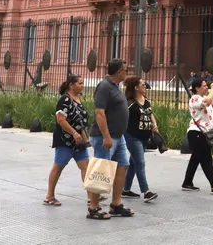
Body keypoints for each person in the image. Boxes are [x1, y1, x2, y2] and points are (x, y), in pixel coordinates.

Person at [87, 58, 134, 220]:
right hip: (104, 137)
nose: (127, 73)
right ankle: (93, 207)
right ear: (119, 72)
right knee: (101, 170)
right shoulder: (104, 86)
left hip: (118, 137)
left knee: (123, 166)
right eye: (126, 70)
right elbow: (99, 112)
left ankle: (116, 204)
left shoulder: (115, 86)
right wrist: (106, 136)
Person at [44, 74, 91, 207]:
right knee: (58, 166)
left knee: (86, 167)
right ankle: (49, 196)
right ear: (71, 85)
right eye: (80, 83)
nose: (82, 86)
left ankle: (91, 196)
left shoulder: (78, 99)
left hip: (79, 142)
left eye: (83, 83)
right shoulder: (65, 100)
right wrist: (74, 132)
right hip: (66, 140)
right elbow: (61, 120)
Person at [182, 76, 213, 195]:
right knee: (206, 159)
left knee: (195, 159)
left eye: (206, 86)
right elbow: (208, 102)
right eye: (204, 86)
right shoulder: (195, 98)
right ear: (197, 88)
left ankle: (187, 182)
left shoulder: (205, 97)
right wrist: (212, 89)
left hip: (203, 134)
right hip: (196, 134)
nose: (206, 88)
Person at [121, 77, 158, 202]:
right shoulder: (130, 103)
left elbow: (149, 113)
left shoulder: (145, 100)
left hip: (144, 137)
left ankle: (125, 189)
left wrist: (154, 124)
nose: (145, 87)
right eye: (143, 85)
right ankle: (146, 191)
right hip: (132, 136)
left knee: (133, 163)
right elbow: (124, 119)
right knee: (140, 163)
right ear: (136, 88)